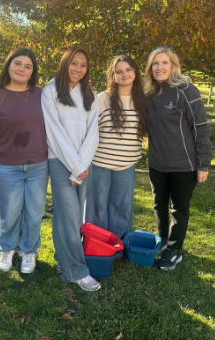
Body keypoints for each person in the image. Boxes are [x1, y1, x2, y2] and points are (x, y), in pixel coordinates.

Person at [0, 48, 49, 276]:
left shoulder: (42, 95)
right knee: (9, 212)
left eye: (27, 66)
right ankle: (7, 248)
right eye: (17, 64)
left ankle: (28, 250)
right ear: (8, 66)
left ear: (32, 72)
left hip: (39, 166)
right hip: (7, 167)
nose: (22, 69)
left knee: (35, 212)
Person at [144, 46, 210, 270]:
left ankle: (175, 250)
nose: (159, 67)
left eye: (164, 63)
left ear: (173, 65)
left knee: (178, 209)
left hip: (184, 164)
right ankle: (163, 242)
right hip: (157, 164)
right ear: (150, 68)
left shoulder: (186, 90)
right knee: (158, 205)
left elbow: (201, 127)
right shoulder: (149, 95)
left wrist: (204, 163)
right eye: (155, 63)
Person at [42, 46, 102, 291]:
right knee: (67, 214)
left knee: (75, 215)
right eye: (74, 63)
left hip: (84, 164)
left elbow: (92, 132)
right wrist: (74, 165)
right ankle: (76, 271)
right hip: (60, 162)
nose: (78, 69)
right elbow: (53, 132)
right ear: (65, 63)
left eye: (83, 65)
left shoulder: (90, 94)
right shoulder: (50, 91)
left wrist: (83, 164)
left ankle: (63, 259)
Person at [87, 55, 148, 241]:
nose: (124, 74)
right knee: (97, 207)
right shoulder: (102, 99)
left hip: (127, 164)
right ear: (113, 76)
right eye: (119, 71)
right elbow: (89, 132)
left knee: (121, 208)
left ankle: (117, 245)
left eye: (128, 70)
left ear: (135, 72)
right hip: (100, 163)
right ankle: (96, 245)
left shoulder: (142, 100)